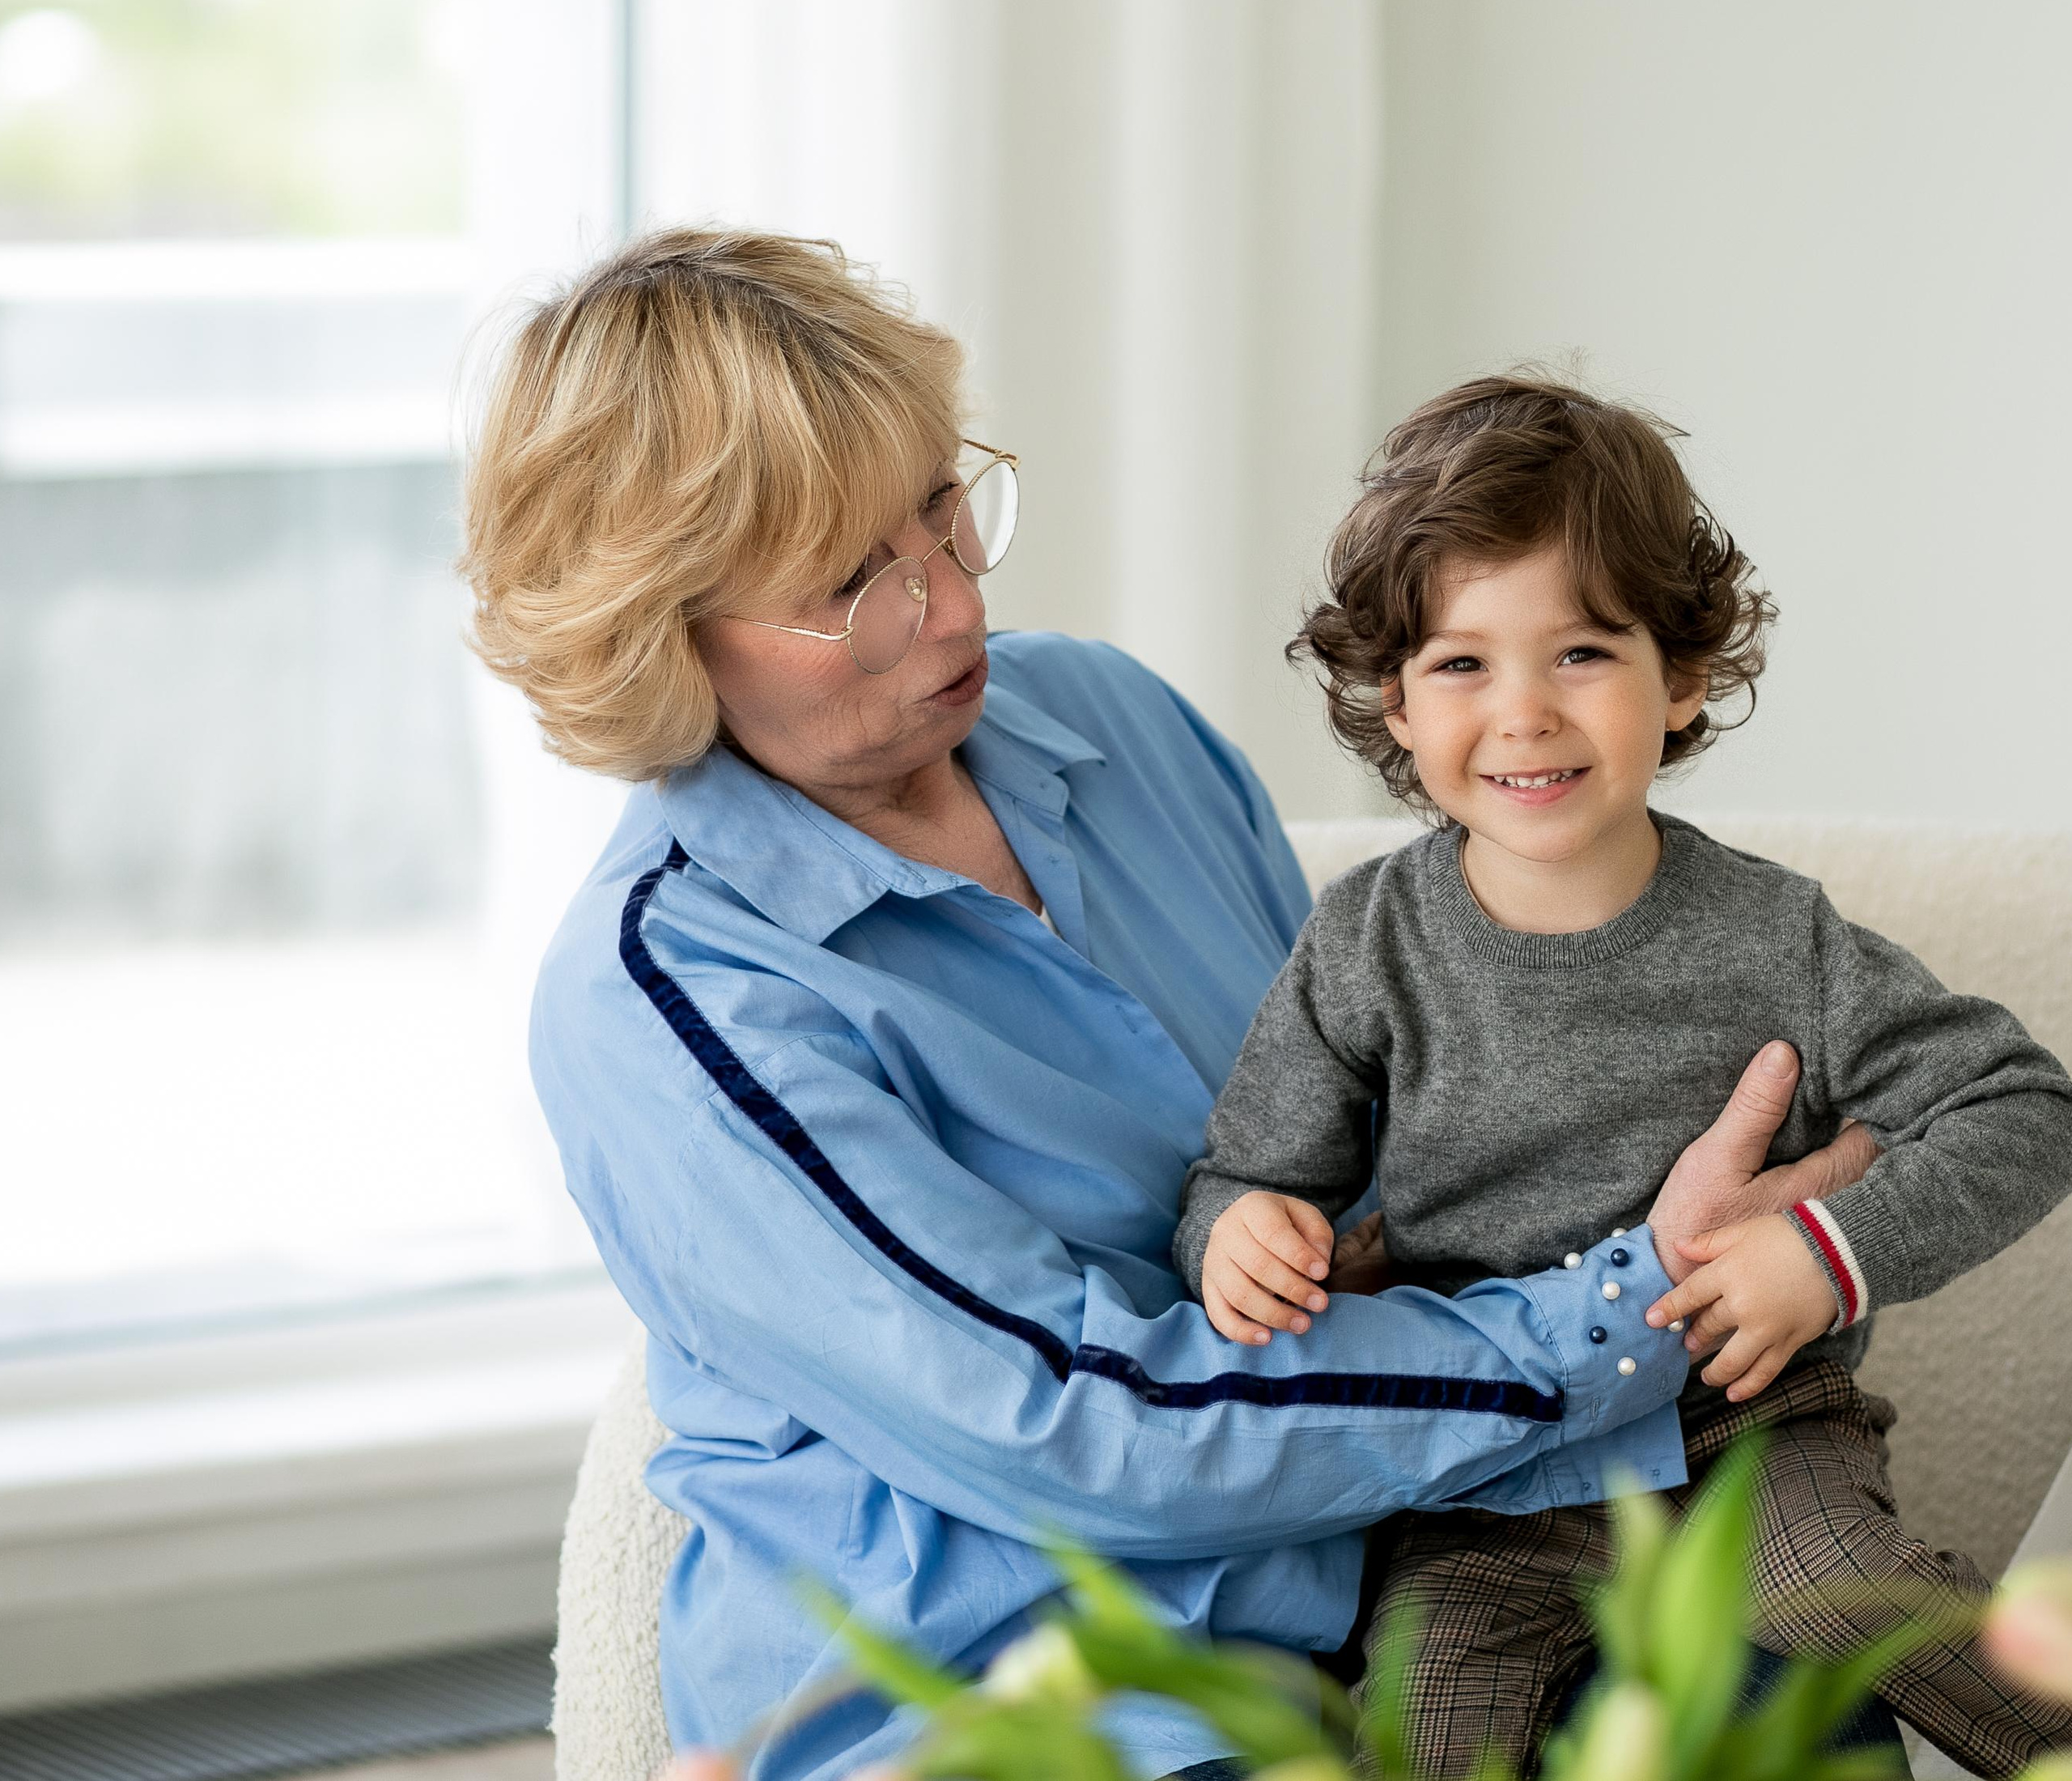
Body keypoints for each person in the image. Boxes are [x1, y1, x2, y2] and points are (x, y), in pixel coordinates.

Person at [461, 232, 1876, 1781]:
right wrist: (1628, 1307)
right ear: (655, 636)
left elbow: (1385, 1153)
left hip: (1379, 1580)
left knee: (1794, 1703)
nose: (946, 610)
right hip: (1014, 1701)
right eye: (852, 583)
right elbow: (1081, 1426)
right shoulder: (669, 998)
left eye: (943, 506)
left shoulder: (1110, 721)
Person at [1177, 373, 2072, 1778]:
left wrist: (1823, 1257)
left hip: (1746, 1430)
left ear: (1686, 675)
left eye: (1582, 653)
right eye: (1462, 665)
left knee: (1833, 1590)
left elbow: (2024, 1110)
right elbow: (1247, 1178)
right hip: (1478, 1469)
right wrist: (1243, 1236)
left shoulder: (1781, 938)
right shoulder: (1363, 940)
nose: (1524, 714)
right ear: (1396, 707)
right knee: (1418, 1729)